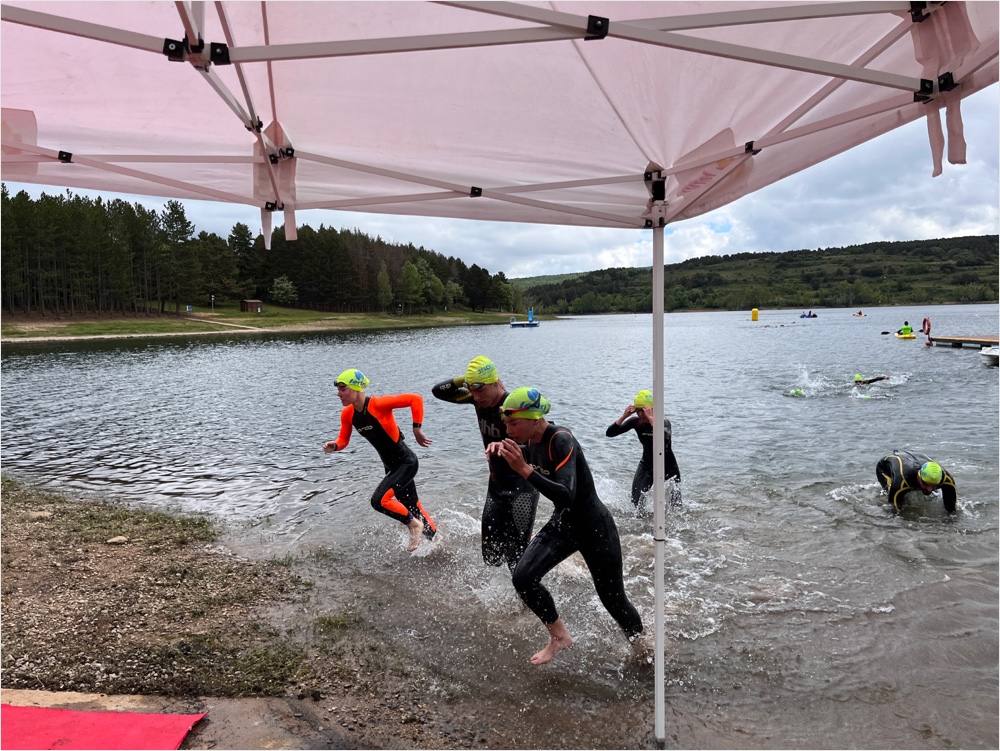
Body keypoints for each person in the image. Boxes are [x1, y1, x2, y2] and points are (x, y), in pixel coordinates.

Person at [489, 386, 646, 665]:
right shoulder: (532, 442)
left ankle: (643, 648)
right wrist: (500, 452)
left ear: (535, 419)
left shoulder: (561, 439)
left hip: (594, 527)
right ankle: (559, 636)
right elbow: (526, 467)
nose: (508, 429)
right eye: (506, 424)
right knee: (523, 578)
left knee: (614, 600)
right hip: (564, 524)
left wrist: (524, 470)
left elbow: (566, 494)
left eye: (514, 423)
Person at [431, 355, 539, 570]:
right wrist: (467, 380)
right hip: (496, 486)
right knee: (491, 556)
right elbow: (437, 391)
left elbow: (541, 441)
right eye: (472, 390)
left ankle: (521, 600)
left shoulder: (513, 405)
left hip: (523, 488)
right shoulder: (476, 399)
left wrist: (507, 447)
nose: (476, 396)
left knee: (516, 560)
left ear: (495, 383)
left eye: (480, 389)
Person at [323, 368, 437, 551]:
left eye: (343, 389)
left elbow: (415, 399)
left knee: (379, 500)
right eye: (339, 389)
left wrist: (417, 429)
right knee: (412, 507)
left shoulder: (379, 404)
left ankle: (414, 526)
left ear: (356, 388)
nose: (339, 393)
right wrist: (335, 446)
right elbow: (343, 439)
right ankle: (437, 543)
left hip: (406, 463)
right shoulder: (347, 414)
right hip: (391, 468)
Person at [605, 389, 681, 508]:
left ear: (652, 409)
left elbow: (664, 438)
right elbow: (610, 433)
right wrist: (624, 416)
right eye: (638, 411)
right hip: (647, 464)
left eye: (643, 411)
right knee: (636, 501)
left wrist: (651, 419)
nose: (641, 414)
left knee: (676, 505)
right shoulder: (636, 422)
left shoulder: (664, 422)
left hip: (668, 465)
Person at [875, 449, 957, 514]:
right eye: (926, 484)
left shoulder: (946, 479)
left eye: (934, 485)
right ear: (918, 476)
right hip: (885, 467)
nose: (929, 489)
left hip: (918, 457)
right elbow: (894, 512)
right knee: (890, 495)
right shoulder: (902, 480)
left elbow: (951, 510)